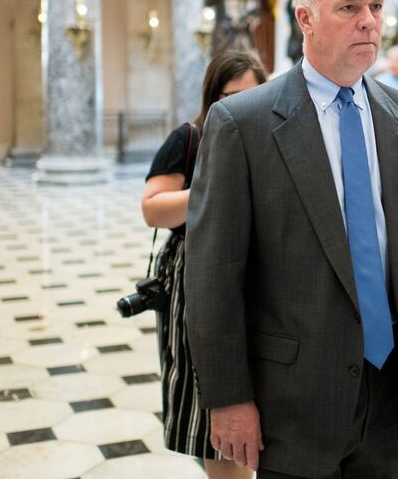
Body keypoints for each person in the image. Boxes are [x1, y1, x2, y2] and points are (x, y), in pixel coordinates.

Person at [184, 0, 398, 478]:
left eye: (377, 7)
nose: (370, 20)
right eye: (349, 7)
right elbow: (212, 278)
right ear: (305, 20)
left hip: (390, 390)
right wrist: (227, 398)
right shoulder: (242, 123)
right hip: (293, 398)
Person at [141, 50, 267, 479]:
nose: (240, 108)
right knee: (210, 392)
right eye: (230, 97)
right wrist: (215, 189)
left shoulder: (271, 138)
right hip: (195, 277)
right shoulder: (189, 137)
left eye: (253, 96)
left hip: (258, 277)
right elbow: (153, 209)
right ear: (213, 97)